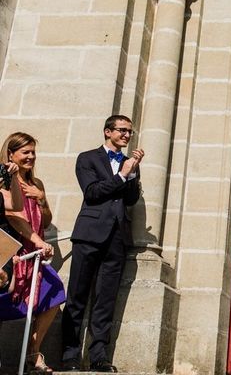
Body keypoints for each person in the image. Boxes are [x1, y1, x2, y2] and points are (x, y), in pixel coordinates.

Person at [61, 115, 144, 373]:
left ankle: (98, 356)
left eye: (130, 132)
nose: (127, 135)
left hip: (117, 238)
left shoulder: (130, 164)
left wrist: (131, 174)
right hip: (89, 234)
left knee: (106, 300)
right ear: (108, 131)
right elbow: (92, 192)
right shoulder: (87, 158)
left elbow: (130, 200)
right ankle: (69, 356)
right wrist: (122, 176)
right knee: (77, 297)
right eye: (122, 130)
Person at [0, 133, 66, 374]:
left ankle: (32, 353)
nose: (30, 156)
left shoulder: (37, 184)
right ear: (11, 154)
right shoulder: (5, 182)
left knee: (55, 292)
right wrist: (36, 241)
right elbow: (14, 216)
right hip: (15, 250)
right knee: (5, 299)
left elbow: (46, 221)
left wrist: (43, 200)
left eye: (33, 152)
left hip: (36, 251)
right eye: (25, 152)